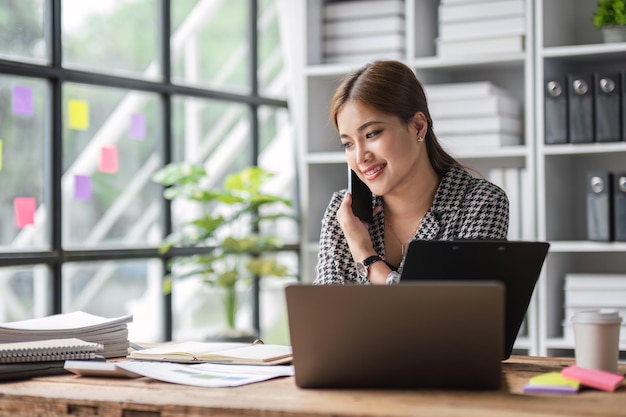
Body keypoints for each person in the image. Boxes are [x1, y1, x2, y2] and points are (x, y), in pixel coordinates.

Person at [313, 60, 509, 286]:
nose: (359, 158)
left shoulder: (479, 203)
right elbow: (327, 314)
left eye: (371, 134)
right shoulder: (344, 212)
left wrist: (366, 258)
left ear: (418, 126)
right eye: (348, 144)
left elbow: (458, 314)